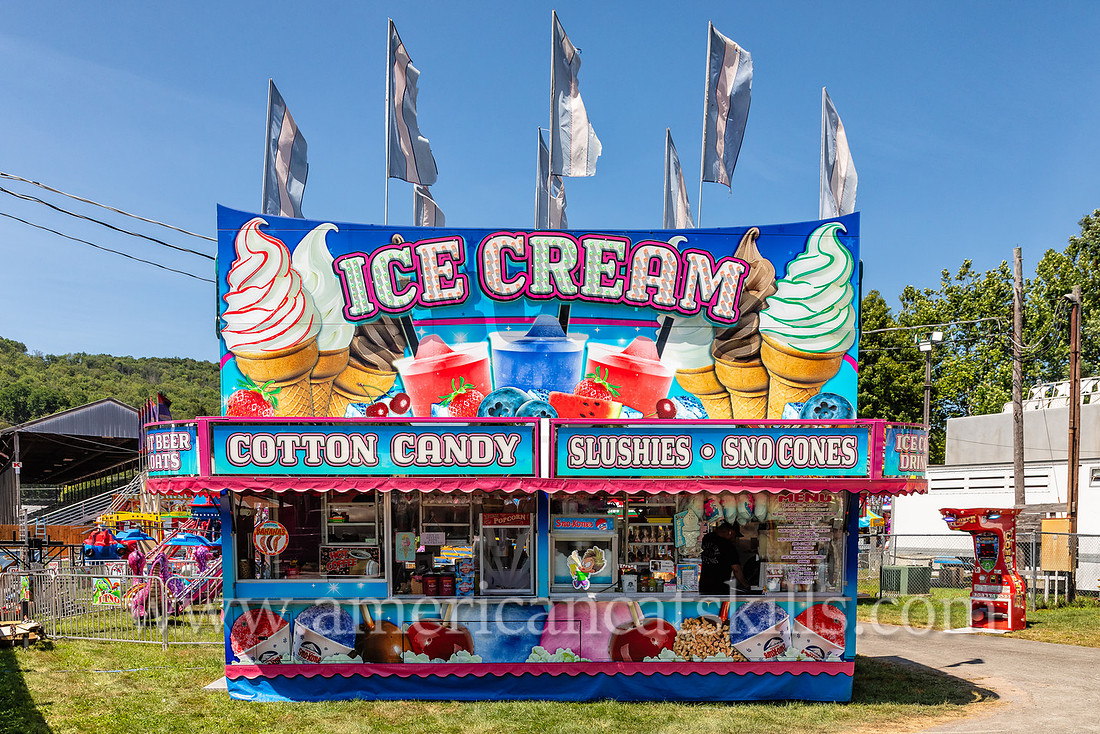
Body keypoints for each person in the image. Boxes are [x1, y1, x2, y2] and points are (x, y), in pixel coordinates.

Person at [699, 522, 750, 595]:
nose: (734, 539)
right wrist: (745, 584)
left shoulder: (707, 538)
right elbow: (736, 570)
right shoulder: (728, 547)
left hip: (704, 585)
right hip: (720, 588)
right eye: (735, 536)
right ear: (730, 532)